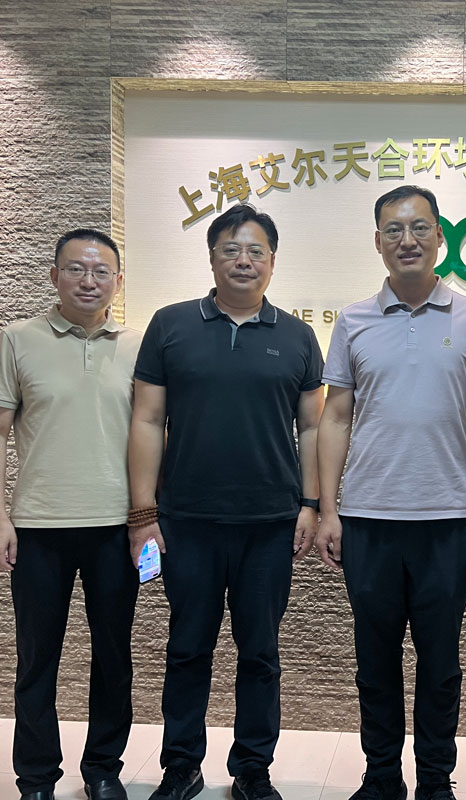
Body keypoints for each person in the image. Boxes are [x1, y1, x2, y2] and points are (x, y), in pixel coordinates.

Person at [315, 185, 466, 800]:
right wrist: (328, 509)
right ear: (378, 242)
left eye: (420, 227)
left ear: (440, 238)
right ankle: (380, 778)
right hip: (367, 518)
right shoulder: (353, 320)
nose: (408, 240)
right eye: (394, 230)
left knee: (440, 663)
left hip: (448, 520)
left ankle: (433, 781)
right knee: (374, 660)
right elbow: (335, 418)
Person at [127, 203, 324, 800]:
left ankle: (252, 770)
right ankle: (181, 766)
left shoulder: (297, 336)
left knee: (260, 652)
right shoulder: (171, 325)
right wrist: (143, 514)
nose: (243, 260)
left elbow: (313, 427)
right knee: (188, 648)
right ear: (211, 258)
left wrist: (312, 504)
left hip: (270, 523)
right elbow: (146, 419)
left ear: (272, 261)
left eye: (255, 250)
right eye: (230, 250)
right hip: (186, 521)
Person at [0, 229, 140, 800]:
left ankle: (103, 769)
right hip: (38, 527)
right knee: (36, 658)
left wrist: (150, 516)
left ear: (118, 281)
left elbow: (157, 432)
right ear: (54, 275)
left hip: (117, 529)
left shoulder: (140, 345)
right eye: (75, 269)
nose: (88, 281)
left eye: (101, 271)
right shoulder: (18, 339)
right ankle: (37, 776)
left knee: (114, 656)